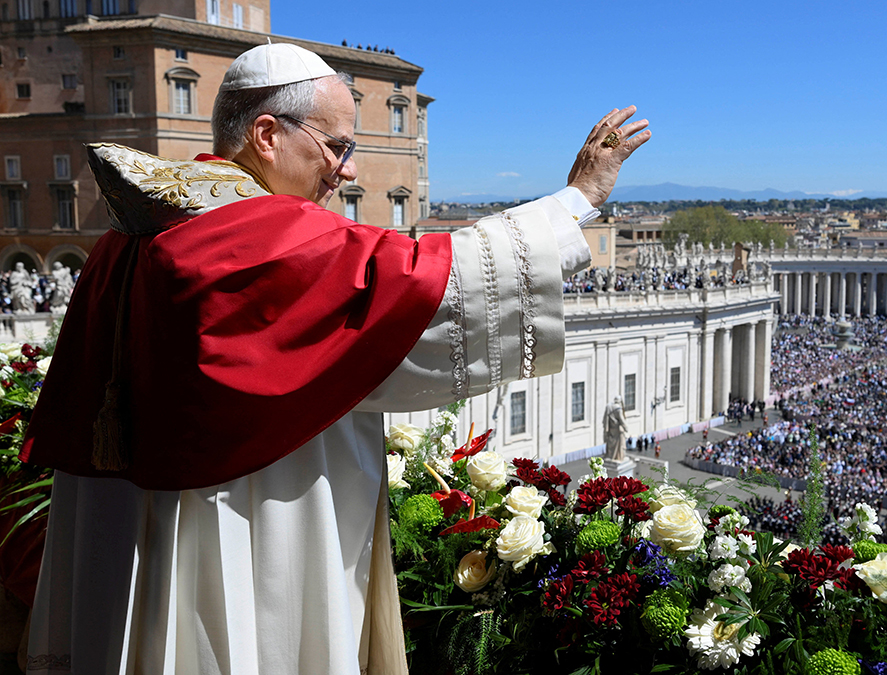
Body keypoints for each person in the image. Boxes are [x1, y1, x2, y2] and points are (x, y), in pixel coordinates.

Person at [19, 43, 649, 674]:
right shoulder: (249, 235)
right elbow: (423, 281)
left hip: (135, 524)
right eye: (336, 146)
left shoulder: (137, 227)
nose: (345, 171)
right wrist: (577, 200)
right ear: (267, 134)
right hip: (244, 518)